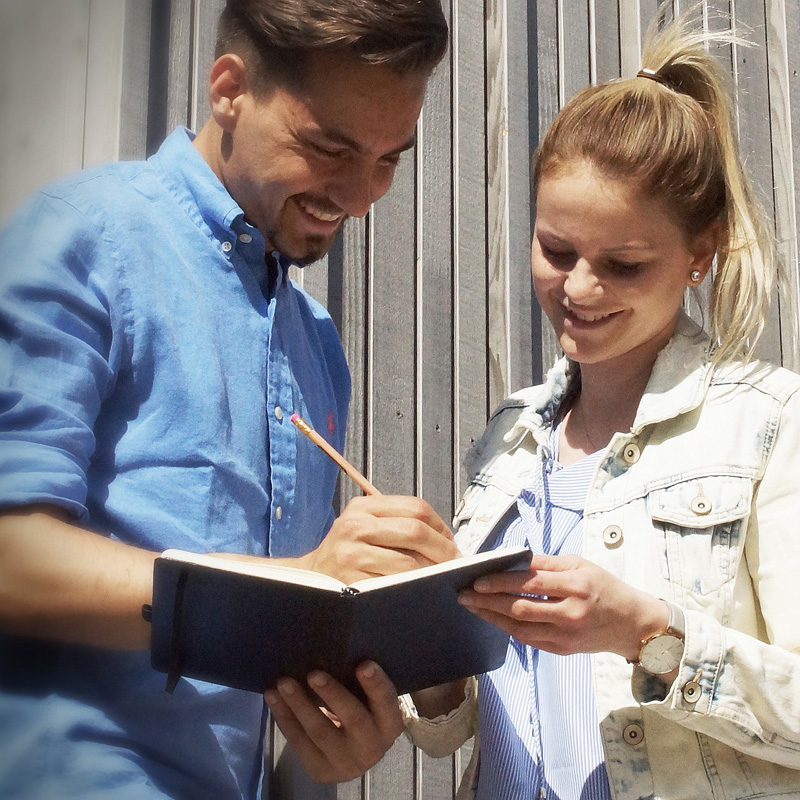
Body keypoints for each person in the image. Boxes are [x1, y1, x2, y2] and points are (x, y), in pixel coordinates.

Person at [0, 1, 458, 798]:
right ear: (228, 90)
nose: (360, 196)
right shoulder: (85, 237)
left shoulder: (315, 347)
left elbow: (269, 707)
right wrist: (293, 590)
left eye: (390, 160)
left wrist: (329, 753)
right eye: (329, 148)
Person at [400, 10, 800, 800]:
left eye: (622, 264)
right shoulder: (509, 438)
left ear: (702, 253)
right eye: (556, 251)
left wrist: (647, 635)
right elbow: (455, 725)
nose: (578, 289)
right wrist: (420, 632)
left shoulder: (769, 425)